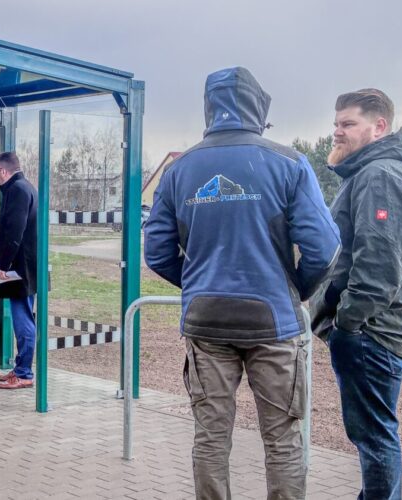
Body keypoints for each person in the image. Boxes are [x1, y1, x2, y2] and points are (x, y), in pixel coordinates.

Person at [144, 67, 340, 499]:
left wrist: (199, 284)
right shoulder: (289, 163)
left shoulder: (180, 169)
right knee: (283, 441)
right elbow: (325, 248)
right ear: (258, 107)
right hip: (274, 323)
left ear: (210, 107)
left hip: (206, 322)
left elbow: (156, 251)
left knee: (211, 439)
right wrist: (295, 289)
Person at [310, 88, 402, 500]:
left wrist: (346, 324)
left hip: (371, 335)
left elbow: (379, 267)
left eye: (347, 124)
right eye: (335, 124)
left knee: (376, 439)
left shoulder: (381, 175)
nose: (337, 133)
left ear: (379, 127)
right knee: (374, 436)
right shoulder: (373, 173)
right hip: (373, 332)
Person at [0, 152, 39, 390]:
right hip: (25, 266)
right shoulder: (25, 187)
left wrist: (5, 264)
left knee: (23, 321)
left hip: (19, 268)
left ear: (3, 171)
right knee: (23, 317)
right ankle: (21, 367)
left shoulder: (17, 190)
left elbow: (14, 231)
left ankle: (24, 373)